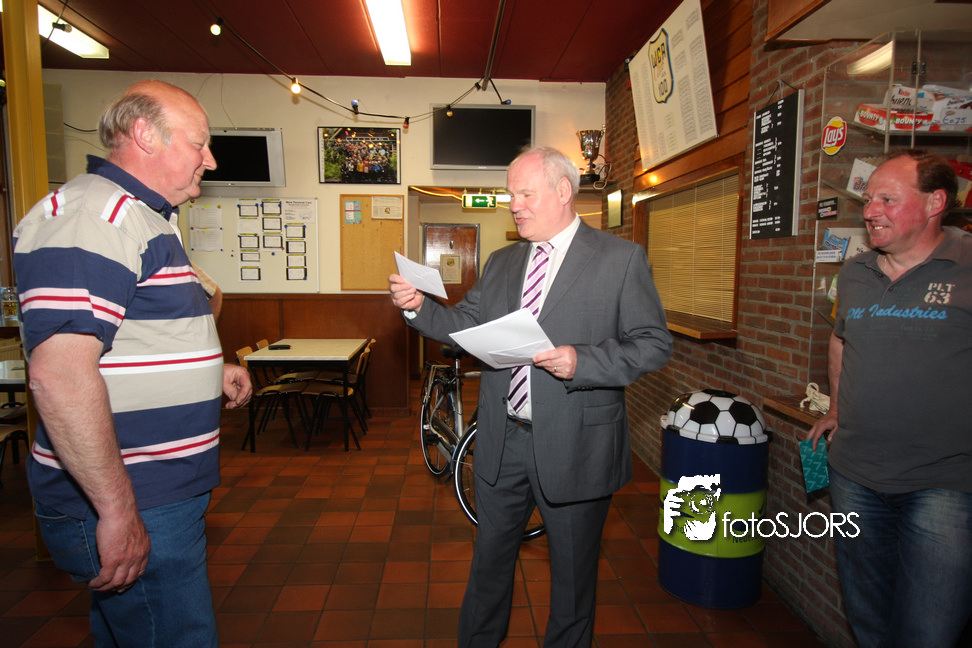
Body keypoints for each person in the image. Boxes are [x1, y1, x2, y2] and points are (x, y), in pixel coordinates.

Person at [390, 147, 673, 646]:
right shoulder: (502, 262)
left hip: (577, 445)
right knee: (488, 567)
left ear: (563, 191)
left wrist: (583, 362)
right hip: (503, 441)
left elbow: (652, 345)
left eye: (525, 194)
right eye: (510, 195)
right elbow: (464, 321)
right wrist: (418, 307)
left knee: (572, 584)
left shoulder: (620, 259)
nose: (513, 205)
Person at [13, 80, 252, 648]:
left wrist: (208, 369)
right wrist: (116, 511)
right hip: (135, 494)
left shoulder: (143, 217)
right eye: (199, 143)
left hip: (156, 489)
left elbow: (129, 333)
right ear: (144, 135)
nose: (210, 160)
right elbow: (59, 374)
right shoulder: (95, 217)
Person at [809, 149, 972, 648]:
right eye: (868, 200)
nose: (871, 211)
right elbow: (840, 340)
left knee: (928, 630)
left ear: (935, 203)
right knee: (869, 618)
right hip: (855, 475)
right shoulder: (856, 272)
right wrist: (838, 408)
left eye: (887, 199)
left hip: (946, 482)